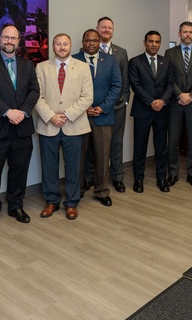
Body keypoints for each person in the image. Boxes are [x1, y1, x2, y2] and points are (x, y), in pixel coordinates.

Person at [0, 25, 40, 228]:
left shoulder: (28, 65)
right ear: (0, 39)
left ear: (19, 41)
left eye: (13, 38)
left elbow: (34, 91)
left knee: (19, 171)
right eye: (6, 37)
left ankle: (15, 206)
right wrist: (8, 112)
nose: (9, 41)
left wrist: (22, 112)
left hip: (22, 128)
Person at [34, 33, 93, 219]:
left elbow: (87, 97)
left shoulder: (83, 67)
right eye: (58, 44)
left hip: (74, 125)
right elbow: (37, 96)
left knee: (73, 166)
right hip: (48, 125)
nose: (61, 47)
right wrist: (51, 116)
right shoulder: (41, 67)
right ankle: (51, 201)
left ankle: (71, 203)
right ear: (53, 47)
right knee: (49, 166)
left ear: (70, 45)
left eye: (65, 44)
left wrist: (67, 115)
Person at [73, 29, 122, 206]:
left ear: (99, 42)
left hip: (103, 116)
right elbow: (69, 89)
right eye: (88, 40)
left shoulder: (110, 60)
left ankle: (101, 191)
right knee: (78, 155)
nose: (91, 44)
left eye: (95, 41)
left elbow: (117, 86)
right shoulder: (73, 60)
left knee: (102, 155)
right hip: (79, 117)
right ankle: (76, 189)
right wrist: (83, 107)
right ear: (83, 41)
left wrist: (102, 108)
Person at [128, 30, 175, 193]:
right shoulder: (135, 62)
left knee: (161, 147)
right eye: (151, 41)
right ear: (145, 42)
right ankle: (138, 179)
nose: (154, 44)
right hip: (142, 111)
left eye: (157, 42)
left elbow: (170, 85)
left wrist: (162, 101)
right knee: (139, 147)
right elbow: (135, 85)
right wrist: (151, 102)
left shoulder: (166, 62)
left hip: (162, 111)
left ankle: (161, 178)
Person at [164, 21, 192, 188]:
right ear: (179, 33)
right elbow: (168, 78)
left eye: (191, 32)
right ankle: (173, 173)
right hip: (175, 103)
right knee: (173, 140)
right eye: (185, 32)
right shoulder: (170, 53)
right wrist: (179, 94)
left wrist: (190, 95)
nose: (188, 34)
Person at [95, 16, 130, 193]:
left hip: (117, 107)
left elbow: (125, 80)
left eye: (109, 28)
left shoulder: (121, 52)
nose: (106, 30)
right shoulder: (87, 50)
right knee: (95, 145)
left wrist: (124, 100)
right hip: (96, 108)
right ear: (97, 29)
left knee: (116, 143)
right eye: (103, 27)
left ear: (113, 31)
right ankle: (94, 178)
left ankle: (117, 178)